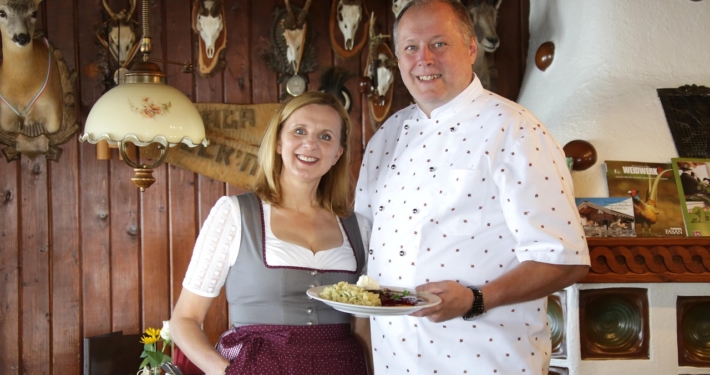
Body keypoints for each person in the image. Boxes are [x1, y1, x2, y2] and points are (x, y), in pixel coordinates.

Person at [353, 1, 591, 374]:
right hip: (395, 364)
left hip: (489, 363)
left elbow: (565, 259)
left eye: (439, 44)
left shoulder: (516, 129)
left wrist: (477, 298)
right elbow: (369, 253)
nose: (424, 59)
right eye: (411, 47)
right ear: (398, 59)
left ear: (470, 49)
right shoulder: (385, 137)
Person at [170, 91, 371, 375]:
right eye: (299, 131)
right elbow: (184, 319)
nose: (310, 144)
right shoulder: (235, 213)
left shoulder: (358, 227)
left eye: (326, 136)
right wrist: (226, 371)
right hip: (258, 366)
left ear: (338, 153)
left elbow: (361, 324)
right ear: (278, 142)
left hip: (342, 367)